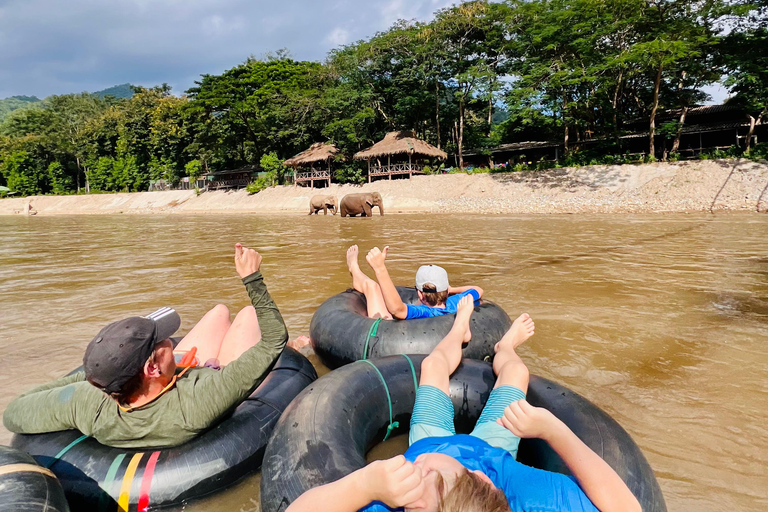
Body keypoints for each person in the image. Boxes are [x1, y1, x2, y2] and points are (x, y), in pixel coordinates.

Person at [286, 297, 641, 512]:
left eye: (414, 490)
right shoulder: (519, 490)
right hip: (492, 450)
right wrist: (552, 429)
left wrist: (365, 484)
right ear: (483, 481)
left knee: (433, 367)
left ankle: (458, 333)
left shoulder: (399, 498)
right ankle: (502, 347)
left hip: (431, 438)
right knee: (515, 374)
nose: (412, 469)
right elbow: (628, 508)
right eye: (426, 475)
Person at [3, 243, 288, 449]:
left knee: (219, 312)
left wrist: (93, 376)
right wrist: (251, 277)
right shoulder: (197, 403)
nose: (168, 340)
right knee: (248, 314)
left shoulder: (88, 406)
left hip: (156, 383)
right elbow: (274, 339)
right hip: (208, 376)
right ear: (151, 367)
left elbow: (14, 412)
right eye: (162, 341)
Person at [346, 245, 484, 320]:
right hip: (439, 302)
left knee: (373, 287)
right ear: (446, 291)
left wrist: (380, 268)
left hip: (388, 328)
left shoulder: (423, 312)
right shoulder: (455, 302)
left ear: (419, 294)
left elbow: (398, 310)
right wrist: (453, 289)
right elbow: (478, 290)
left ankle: (354, 268)